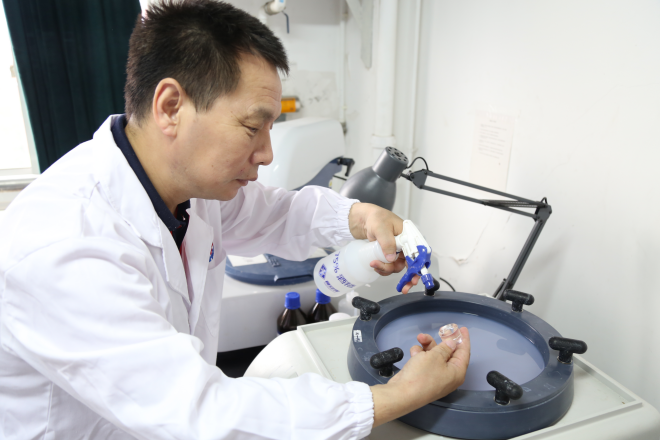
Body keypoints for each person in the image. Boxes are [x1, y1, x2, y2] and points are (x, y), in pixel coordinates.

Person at [0, 1, 470, 439]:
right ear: (171, 107)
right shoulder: (65, 243)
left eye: (271, 128)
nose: (266, 153)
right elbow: (199, 413)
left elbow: (278, 212)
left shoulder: (188, 189)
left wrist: (358, 215)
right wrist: (395, 396)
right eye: (251, 127)